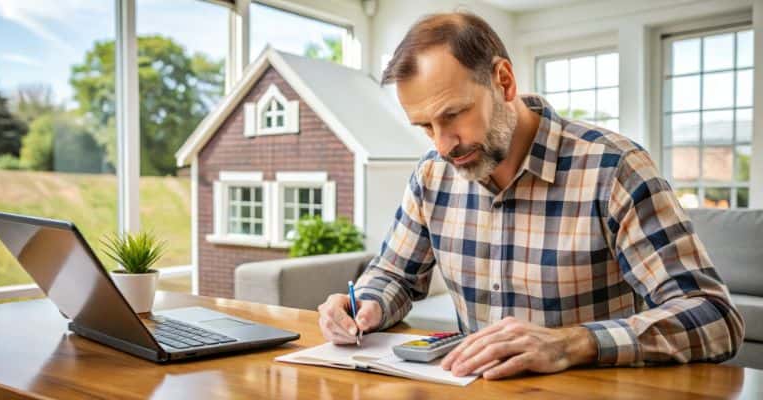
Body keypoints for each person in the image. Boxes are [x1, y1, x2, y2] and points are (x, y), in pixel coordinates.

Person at [317, 12, 744, 380]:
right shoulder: (432, 178)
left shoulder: (614, 169)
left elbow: (714, 316)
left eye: (453, 115)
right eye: (426, 127)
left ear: (503, 81)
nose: (444, 144)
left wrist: (572, 343)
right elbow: (395, 275)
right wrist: (365, 305)